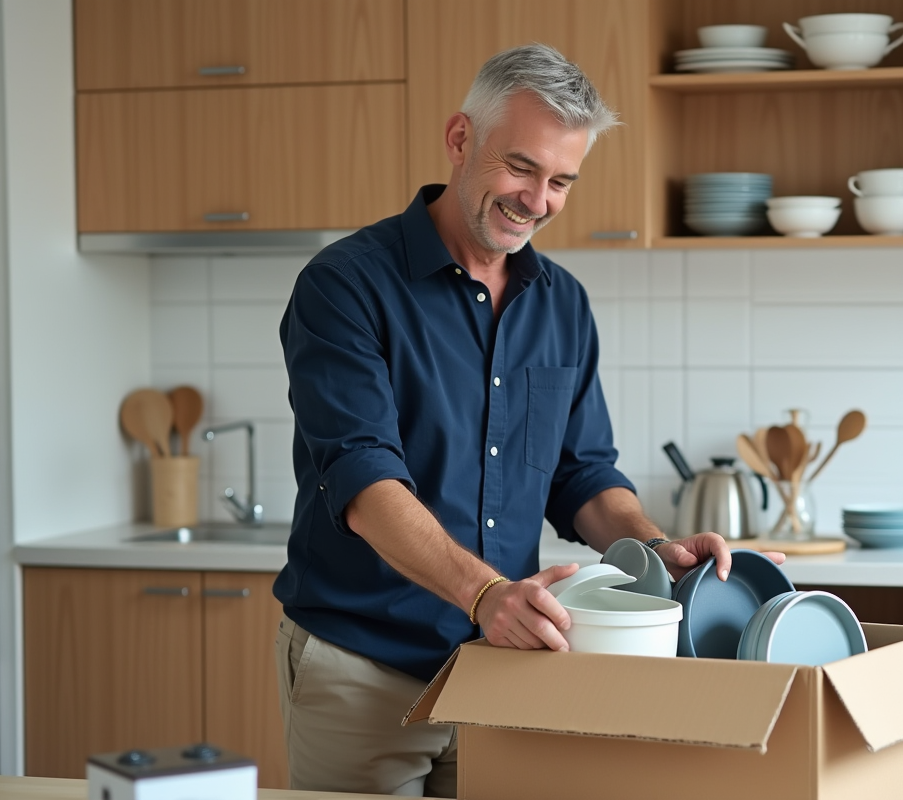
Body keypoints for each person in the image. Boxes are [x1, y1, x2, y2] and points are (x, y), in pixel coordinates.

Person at [272, 43, 784, 798]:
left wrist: (654, 549)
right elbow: (363, 479)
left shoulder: (562, 303)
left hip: (505, 666)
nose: (537, 200)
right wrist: (484, 595)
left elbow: (581, 473)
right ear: (460, 139)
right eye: (520, 167)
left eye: (561, 181)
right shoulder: (345, 286)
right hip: (363, 666)